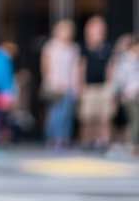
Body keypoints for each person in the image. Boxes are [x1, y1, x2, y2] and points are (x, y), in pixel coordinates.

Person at [40, 19, 80, 148]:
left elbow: (75, 68)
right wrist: (49, 81)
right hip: (55, 85)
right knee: (55, 114)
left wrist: (76, 86)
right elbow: (45, 66)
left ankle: (64, 139)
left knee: (67, 114)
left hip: (69, 85)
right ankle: (52, 138)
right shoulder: (50, 46)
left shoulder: (73, 48)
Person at [78, 15, 114, 151]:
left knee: (104, 117)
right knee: (87, 117)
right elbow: (81, 67)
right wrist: (80, 85)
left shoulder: (107, 47)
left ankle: (103, 142)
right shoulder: (84, 47)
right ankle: (87, 141)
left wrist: (111, 87)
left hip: (104, 86)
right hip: (89, 87)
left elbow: (110, 68)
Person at [113, 34, 139, 155]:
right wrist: (119, 93)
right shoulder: (126, 60)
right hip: (130, 96)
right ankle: (135, 145)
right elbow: (120, 79)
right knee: (136, 120)